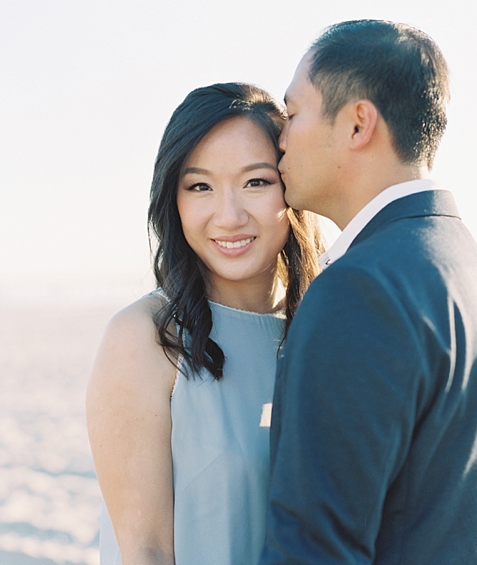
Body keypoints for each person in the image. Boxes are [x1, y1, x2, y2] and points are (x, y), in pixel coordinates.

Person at [260, 20, 477, 564]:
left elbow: (315, 548)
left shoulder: (359, 291)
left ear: (358, 123)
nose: (279, 138)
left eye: (291, 114)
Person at [86, 83, 323, 565]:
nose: (229, 216)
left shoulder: (323, 329)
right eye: (200, 186)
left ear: (291, 188)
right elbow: (145, 553)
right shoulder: (145, 337)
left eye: (256, 182)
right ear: (173, 199)